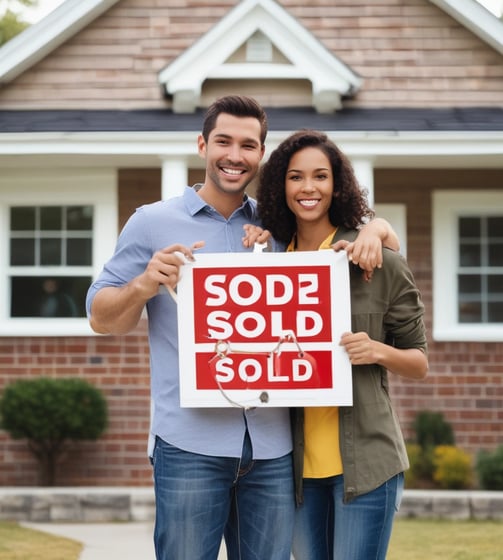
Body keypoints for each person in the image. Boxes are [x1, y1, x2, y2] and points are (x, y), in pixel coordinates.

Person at [86, 96, 399, 560]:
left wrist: (376, 229)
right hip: (189, 444)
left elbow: (351, 230)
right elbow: (100, 316)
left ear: (260, 155)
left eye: (248, 145)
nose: (235, 155)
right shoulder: (151, 222)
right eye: (223, 141)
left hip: (273, 450)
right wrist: (144, 283)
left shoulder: (278, 225)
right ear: (201, 145)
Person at [255, 129, 429, 560]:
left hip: (367, 464)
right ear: (282, 186)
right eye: (296, 177)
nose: (308, 188)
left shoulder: (374, 260)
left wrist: (376, 351)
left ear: (337, 185)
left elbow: (419, 361)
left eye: (320, 176)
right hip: (295, 472)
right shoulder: (270, 265)